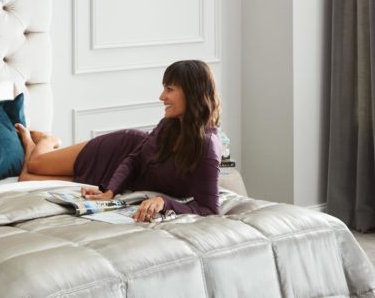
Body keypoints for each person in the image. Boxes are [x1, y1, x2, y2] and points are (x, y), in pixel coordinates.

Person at [18, 60, 222, 222]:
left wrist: (164, 202)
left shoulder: (207, 146)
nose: (162, 96)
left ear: (192, 92)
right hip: (117, 152)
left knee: (26, 180)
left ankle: (30, 145)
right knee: (35, 164)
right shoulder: (167, 125)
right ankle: (46, 139)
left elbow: (210, 209)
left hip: (126, 187)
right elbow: (133, 159)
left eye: (169, 89)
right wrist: (110, 192)